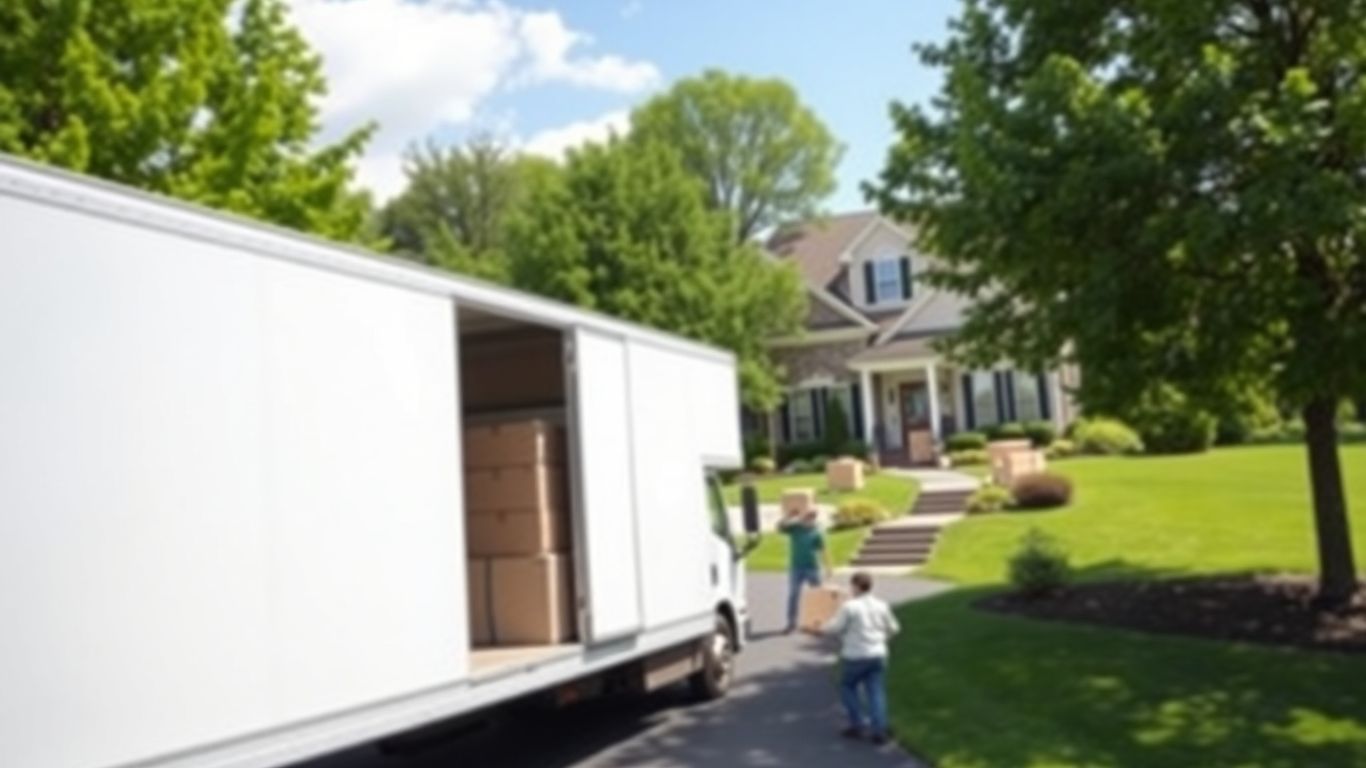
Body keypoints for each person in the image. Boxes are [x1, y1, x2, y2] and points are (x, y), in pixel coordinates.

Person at [821, 571, 900, 745]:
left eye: (852, 586)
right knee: (875, 691)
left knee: (848, 687)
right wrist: (882, 640)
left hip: (855, 654)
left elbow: (835, 627)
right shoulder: (881, 605)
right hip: (877, 654)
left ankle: (857, 724)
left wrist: (821, 626)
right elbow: (894, 628)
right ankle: (879, 728)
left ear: (856, 586)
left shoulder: (850, 607)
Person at [779, 506, 832, 634]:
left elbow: (823, 550)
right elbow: (780, 527)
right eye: (807, 516)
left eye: (812, 517)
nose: (809, 519)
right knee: (793, 595)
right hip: (796, 567)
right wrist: (788, 516)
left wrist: (828, 567)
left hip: (812, 567)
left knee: (817, 596)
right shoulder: (795, 529)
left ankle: (818, 623)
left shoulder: (817, 532)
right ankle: (791, 623)